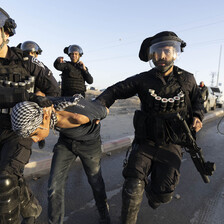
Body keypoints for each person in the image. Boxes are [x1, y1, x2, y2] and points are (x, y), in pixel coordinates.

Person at [95, 31, 204, 224]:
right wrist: (99, 105)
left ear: (175, 53)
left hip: (172, 145)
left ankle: (154, 191)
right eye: (157, 52)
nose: (161, 56)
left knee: (162, 195)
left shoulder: (187, 79)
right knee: (133, 185)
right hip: (145, 143)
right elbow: (115, 90)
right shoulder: (143, 79)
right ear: (151, 55)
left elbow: (197, 101)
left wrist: (197, 116)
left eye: (167, 51)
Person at [0, 7, 60, 224]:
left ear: (6, 33)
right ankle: (31, 207)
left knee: (5, 180)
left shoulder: (27, 61)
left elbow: (54, 92)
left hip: (18, 129)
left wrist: (44, 123)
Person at [11, 95, 111, 224]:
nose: (34, 140)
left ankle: (104, 214)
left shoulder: (79, 116)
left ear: (45, 118)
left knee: (95, 181)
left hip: (89, 145)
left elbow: (104, 110)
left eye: (34, 134)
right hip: (66, 143)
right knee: (54, 186)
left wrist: (98, 115)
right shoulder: (45, 108)